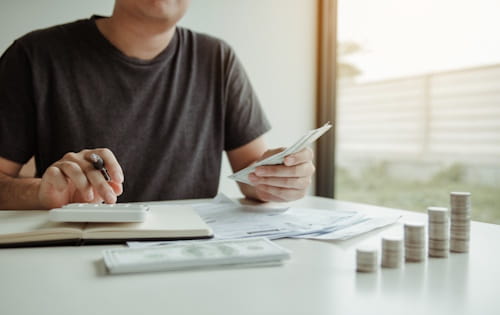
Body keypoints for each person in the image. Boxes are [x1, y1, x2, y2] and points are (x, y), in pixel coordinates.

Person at [0, 0, 315, 210]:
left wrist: (280, 178)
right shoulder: (33, 56)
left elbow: (252, 176)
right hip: (77, 259)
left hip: (192, 261)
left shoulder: (216, 58)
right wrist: (41, 193)